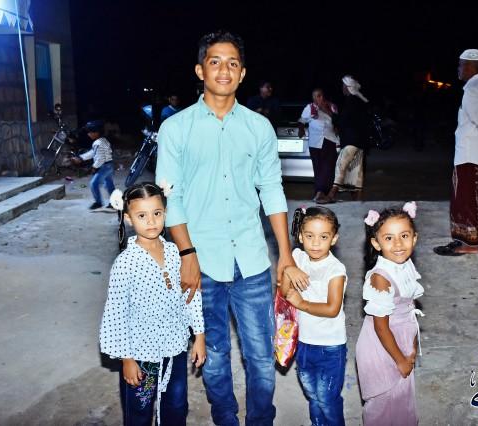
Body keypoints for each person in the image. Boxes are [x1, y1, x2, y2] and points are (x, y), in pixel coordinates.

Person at [155, 30, 303, 425]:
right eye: (216, 62)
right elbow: (171, 197)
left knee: (261, 354)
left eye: (233, 63)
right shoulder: (176, 129)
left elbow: (271, 189)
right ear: (200, 70)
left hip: (251, 258)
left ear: (243, 74)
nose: (224, 70)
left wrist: (285, 255)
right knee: (215, 353)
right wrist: (186, 253)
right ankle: (225, 418)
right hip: (201, 260)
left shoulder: (259, 128)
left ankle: (260, 419)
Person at [100, 182, 206, 426]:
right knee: (140, 410)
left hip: (175, 349)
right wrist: (126, 359)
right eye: (142, 216)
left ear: (165, 213)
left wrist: (199, 335)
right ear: (128, 218)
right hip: (142, 356)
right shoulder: (125, 264)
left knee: (176, 406)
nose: (151, 221)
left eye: (157, 213)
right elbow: (116, 314)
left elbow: (190, 295)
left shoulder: (175, 253)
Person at [356, 202, 424, 426]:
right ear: (376, 243)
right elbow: (381, 327)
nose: (398, 244)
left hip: (401, 337)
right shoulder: (380, 278)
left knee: (402, 398)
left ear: (414, 238)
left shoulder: (405, 265)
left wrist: (412, 346)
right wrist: (400, 359)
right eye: (388, 238)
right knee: (383, 402)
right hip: (382, 345)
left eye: (404, 236)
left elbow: (410, 306)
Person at [280, 206, 347, 426]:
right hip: (303, 342)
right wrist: (288, 270)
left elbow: (332, 308)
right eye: (309, 236)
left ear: (334, 239)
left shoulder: (335, 270)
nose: (316, 243)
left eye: (323, 237)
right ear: (300, 236)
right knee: (312, 394)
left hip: (330, 346)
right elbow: (284, 292)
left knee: (327, 398)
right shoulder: (297, 257)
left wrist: (302, 304)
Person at [434, 49, 478, 256]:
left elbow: (477, 118)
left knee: (464, 197)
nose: (458, 69)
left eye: (460, 65)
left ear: (470, 67)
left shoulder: (472, 90)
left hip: (470, 153)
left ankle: (469, 243)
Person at [328, 75, 370, 201]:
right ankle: (357, 199)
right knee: (356, 169)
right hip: (360, 141)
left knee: (341, 164)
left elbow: (344, 121)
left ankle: (331, 194)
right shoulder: (359, 101)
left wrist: (333, 114)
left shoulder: (351, 101)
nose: (342, 88)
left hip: (352, 140)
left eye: (343, 86)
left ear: (348, 87)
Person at [299, 88, 340, 204]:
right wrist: (301, 129)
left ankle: (323, 193)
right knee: (318, 168)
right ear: (313, 98)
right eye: (317, 96)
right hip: (315, 142)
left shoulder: (332, 106)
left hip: (329, 139)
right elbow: (302, 120)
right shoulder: (310, 107)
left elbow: (337, 120)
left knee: (328, 167)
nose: (319, 98)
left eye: (321, 95)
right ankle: (319, 193)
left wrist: (324, 109)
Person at [72, 120, 115, 209]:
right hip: (109, 165)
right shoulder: (103, 140)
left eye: (90, 132)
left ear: (96, 132)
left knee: (93, 184)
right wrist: (81, 158)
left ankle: (98, 202)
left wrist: (94, 167)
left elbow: (100, 158)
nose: (88, 134)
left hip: (104, 166)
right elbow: (93, 153)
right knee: (109, 184)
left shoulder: (97, 143)